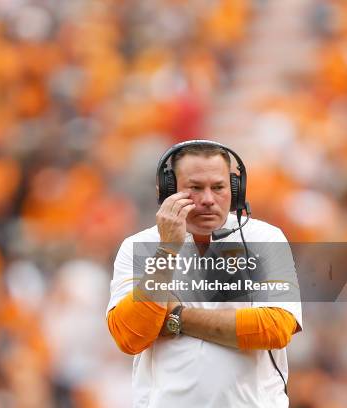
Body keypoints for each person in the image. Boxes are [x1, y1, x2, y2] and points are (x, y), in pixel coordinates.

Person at [106, 140, 303, 407]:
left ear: (235, 189)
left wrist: (177, 317)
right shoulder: (137, 246)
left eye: (218, 187)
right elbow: (130, 336)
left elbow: (275, 328)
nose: (208, 199)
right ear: (166, 192)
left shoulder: (265, 237)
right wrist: (167, 250)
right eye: (195, 188)